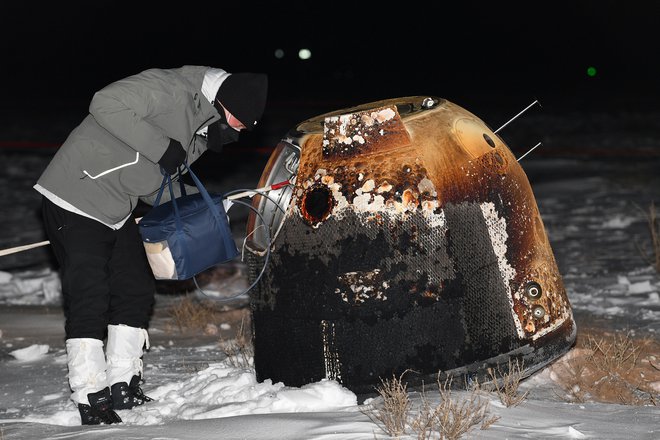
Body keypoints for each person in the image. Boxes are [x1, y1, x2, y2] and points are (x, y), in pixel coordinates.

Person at [33, 66, 268, 425]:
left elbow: (154, 189)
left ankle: (122, 385)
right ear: (226, 101)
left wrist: (211, 203)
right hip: (74, 195)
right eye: (240, 122)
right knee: (90, 295)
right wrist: (162, 147)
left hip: (116, 207)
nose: (239, 131)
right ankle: (89, 393)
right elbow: (104, 103)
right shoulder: (171, 88)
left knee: (136, 289)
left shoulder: (203, 130)